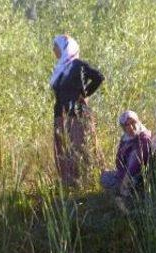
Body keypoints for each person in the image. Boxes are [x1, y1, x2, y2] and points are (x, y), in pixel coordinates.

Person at [50, 34, 104, 186]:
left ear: (64, 47)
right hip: (61, 115)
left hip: (78, 114)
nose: (54, 50)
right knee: (63, 147)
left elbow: (98, 77)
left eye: (56, 46)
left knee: (81, 145)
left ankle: (88, 180)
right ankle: (69, 181)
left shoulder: (77, 65)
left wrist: (84, 94)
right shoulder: (59, 69)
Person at [100, 111, 152, 196]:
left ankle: (130, 193)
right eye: (127, 125)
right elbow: (119, 160)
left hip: (140, 175)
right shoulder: (125, 139)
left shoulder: (144, 137)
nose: (131, 127)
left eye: (133, 123)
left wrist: (126, 178)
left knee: (128, 183)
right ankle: (122, 190)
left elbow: (138, 162)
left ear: (138, 122)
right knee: (104, 177)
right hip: (125, 174)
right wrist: (122, 174)